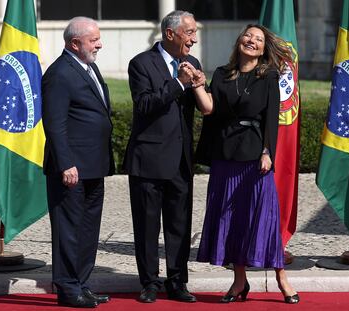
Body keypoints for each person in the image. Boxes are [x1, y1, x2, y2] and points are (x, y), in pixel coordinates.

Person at [185, 24, 300, 304]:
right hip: (225, 155)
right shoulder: (222, 74)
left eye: (258, 39)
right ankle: (239, 281)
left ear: (263, 49)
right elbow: (209, 108)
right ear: (240, 41)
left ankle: (281, 277)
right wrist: (198, 85)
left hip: (255, 156)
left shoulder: (269, 76)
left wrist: (267, 152)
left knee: (264, 219)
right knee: (231, 219)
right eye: (248, 36)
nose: (251, 41)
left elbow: (271, 119)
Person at [123, 10, 205, 303]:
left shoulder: (192, 63)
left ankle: (178, 281)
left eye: (195, 32)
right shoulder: (141, 63)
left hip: (181, 161)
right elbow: (144, 105)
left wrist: (197, 86)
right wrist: (179, 84)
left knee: (179, 225)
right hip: (148, 159)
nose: (194, 39)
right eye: (190, 32)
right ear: (170, 34)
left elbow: (204, 108)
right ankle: (149, 282)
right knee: (146, 226)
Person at [42, 17, 115, 308]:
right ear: (75, 43)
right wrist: (66, 163)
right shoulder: (60, 73)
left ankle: (82, 284)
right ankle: (68, 288)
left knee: (87, 231)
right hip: (71, 169)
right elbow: (55, 124)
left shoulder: (88, 67)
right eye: (93, 39)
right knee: (68, 231)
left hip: (94, 166)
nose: (99, 44)